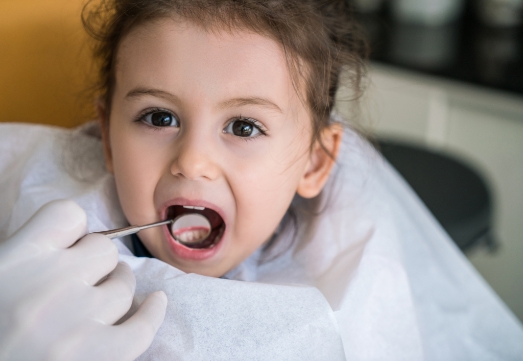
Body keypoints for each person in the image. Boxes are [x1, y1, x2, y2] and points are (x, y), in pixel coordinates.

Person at [1, 0, 522, 360]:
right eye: (159, 117)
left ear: (314, 164)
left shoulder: (350, 287)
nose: (194, 161)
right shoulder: (32, 230)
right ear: (110, 140)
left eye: (244, 126)